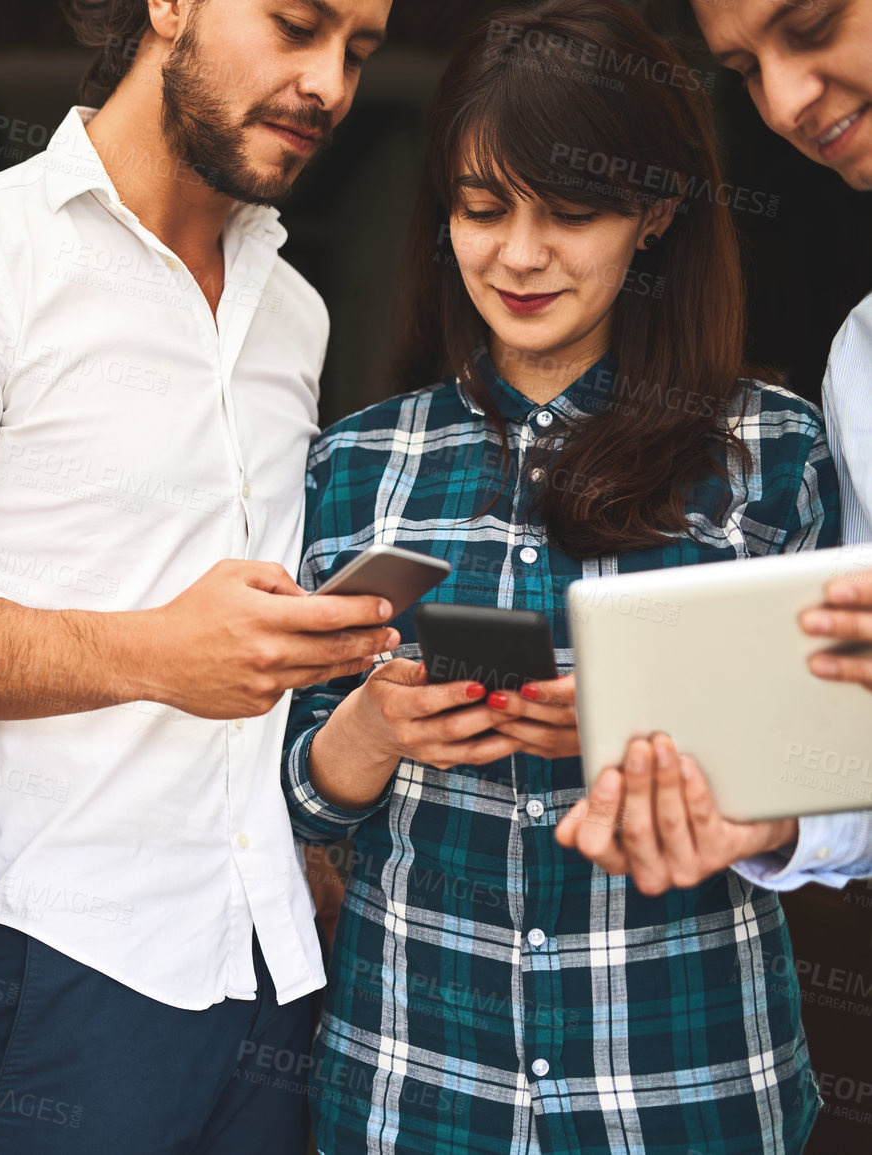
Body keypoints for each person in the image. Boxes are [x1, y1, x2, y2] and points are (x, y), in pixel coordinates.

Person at [282, 2, 838, 1150]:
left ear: (657, 212)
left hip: (686, 1091)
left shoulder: (775, 451)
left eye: (571, 213)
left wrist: (670, 742)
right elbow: (285, 795)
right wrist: (377, 732)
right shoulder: (356, 463)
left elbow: (839, 780)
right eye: (482, 210)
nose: (519, 255)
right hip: (413, 1089)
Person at [0, 0, 397, 1150]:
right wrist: (155, 654)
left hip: (274, 958)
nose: (331, 83)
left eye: (359, 50)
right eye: (297, 25)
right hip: (49, 964)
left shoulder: (293, 310)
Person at [560, 0, 872, 893]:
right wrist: (770, 816)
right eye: (742, 70)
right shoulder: (859, 359)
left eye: (810, 24)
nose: (781, 104)